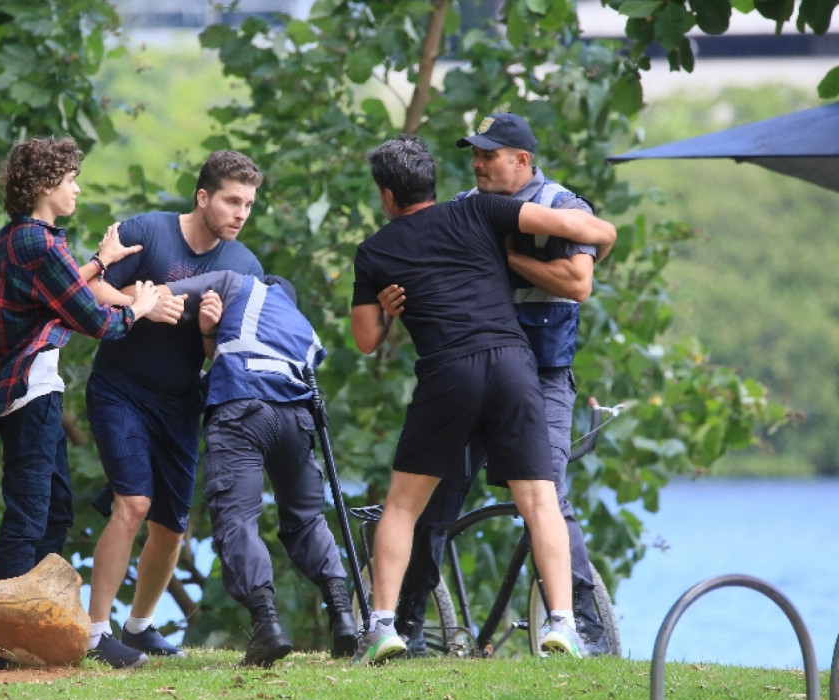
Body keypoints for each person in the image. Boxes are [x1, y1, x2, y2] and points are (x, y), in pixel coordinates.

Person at [349, 134, 616, 664]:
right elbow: (589, 230)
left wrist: (385, 306)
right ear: (431, 180)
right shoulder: (482, 213)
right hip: (516, 366)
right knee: (541, 501)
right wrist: (600, 238)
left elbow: (365, 340)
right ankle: (563, 623)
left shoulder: (376, 250)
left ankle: (382, 626)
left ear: (386, 195)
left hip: (448, 371)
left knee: (403, 505)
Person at [0, 135, 163, 670]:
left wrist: (99, 263)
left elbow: (54, 298)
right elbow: (96, 320)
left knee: (54, 509)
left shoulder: (17, 239)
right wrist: (140, 305)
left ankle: (47, 629)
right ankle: (10, 644)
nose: (77, 188)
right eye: (69, 180)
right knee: (29, 516)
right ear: (44, 187)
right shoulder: (41, 244)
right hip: (29, 392)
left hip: (31, 390)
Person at [84, 150, 265, 669]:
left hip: (182, 402)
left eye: (249, 205)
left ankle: (138, 627)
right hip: (120, 388)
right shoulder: (148, 231)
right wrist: (138, 306)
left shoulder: (244, 267)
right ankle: (97, 634)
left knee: (171, 528)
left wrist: (209, 331)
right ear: (203, 197)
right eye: (232, 200)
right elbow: (90, 289)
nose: (241, 213)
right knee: (133, 504)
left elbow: (225, 356)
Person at [160, 270, 357, 667]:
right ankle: (343, 615)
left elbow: (165, 297)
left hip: (243, 411)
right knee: (306, 520)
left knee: (237, 520)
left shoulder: (239, 285)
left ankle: (267, 626)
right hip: (296, 421)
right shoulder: (304, 328)